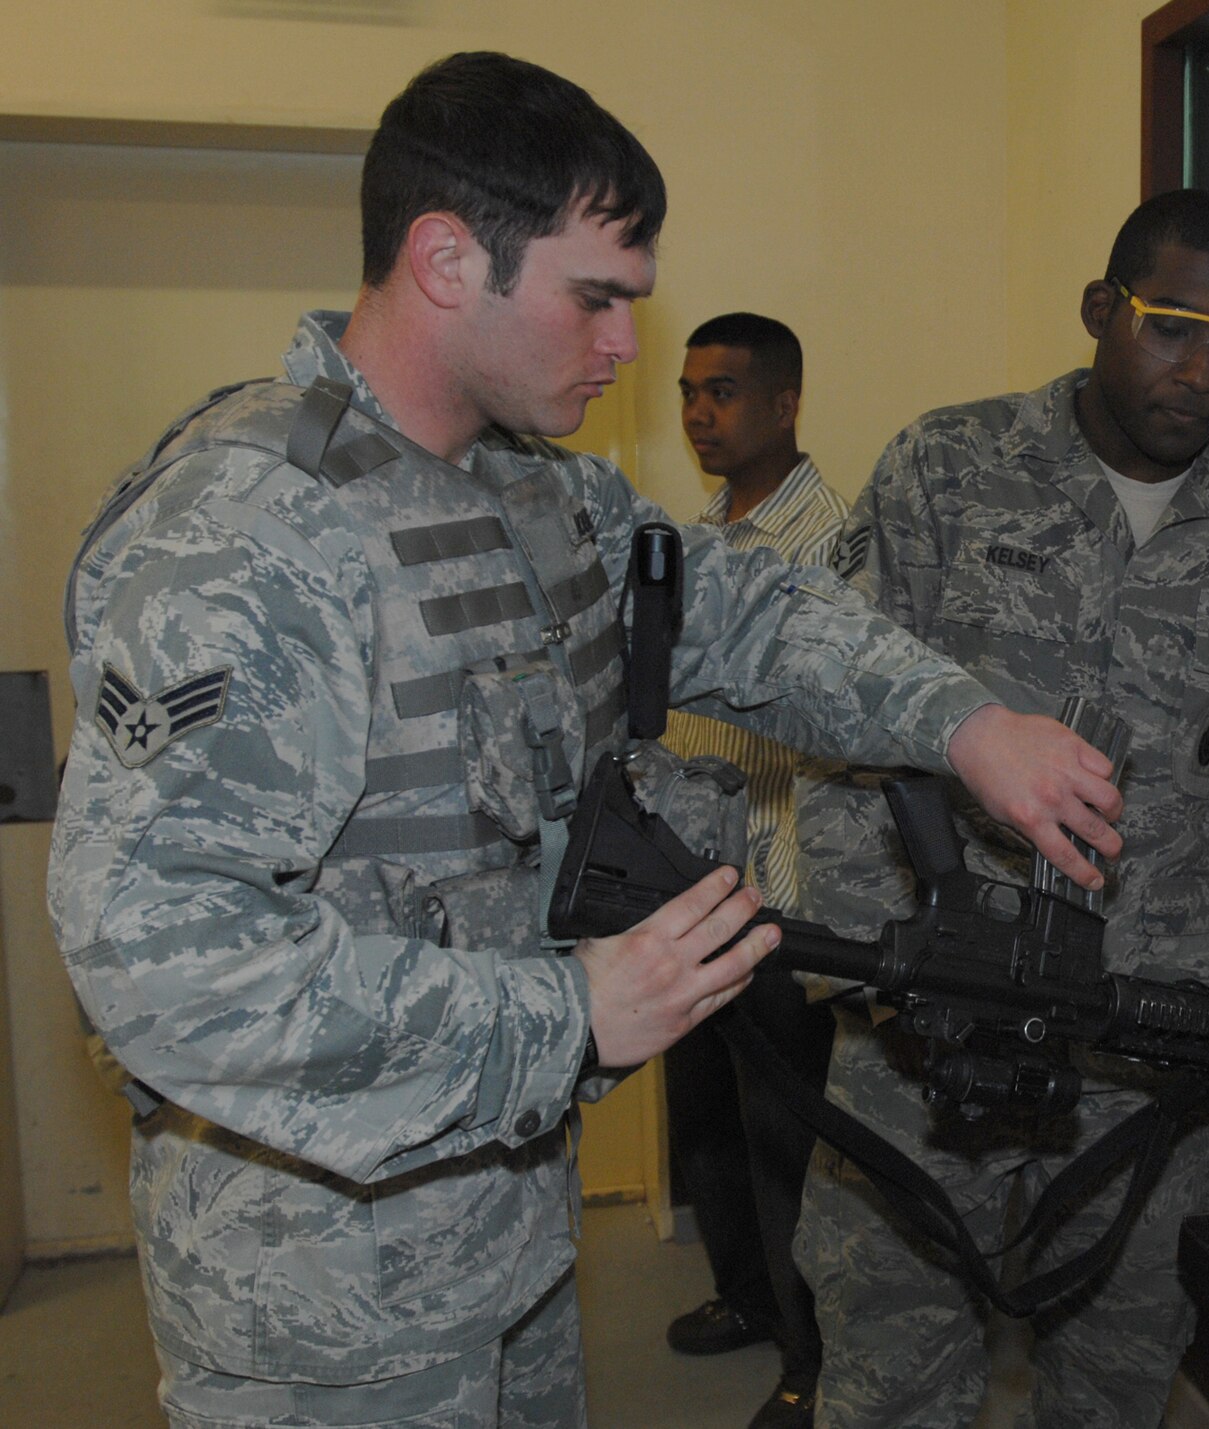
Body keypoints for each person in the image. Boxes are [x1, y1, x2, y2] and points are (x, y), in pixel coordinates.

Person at [45, 53, 1123, 1429]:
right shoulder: (250, 534)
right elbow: (158, 962)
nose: (625, 347)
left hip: (512, 1236)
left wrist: (966, 723)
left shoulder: (538, 494)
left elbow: (750, 614)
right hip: (321, 1308)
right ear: (446, 258)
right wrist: (568, 1016)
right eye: (593, 297)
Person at [792, 189, 1209, 1429]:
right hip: (929, 1024)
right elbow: (836, 723)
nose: (1202, 374)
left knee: (1119, 1376)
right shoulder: (946, 467)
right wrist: (882, 972)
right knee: (891, 1366)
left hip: (1148, 1040)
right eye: (1173, 329)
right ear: (1101, 309)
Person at [660, 313, 843, 1429]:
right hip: (689, 890)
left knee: (789, 1144)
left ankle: (811, 1355)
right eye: (687, 391)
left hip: (784, 896)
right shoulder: (697, 531)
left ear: (784, 403)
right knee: (707, 1121)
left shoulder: (833, 543)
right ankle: (742, 1295)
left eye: (721, 392)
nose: (696, 413)